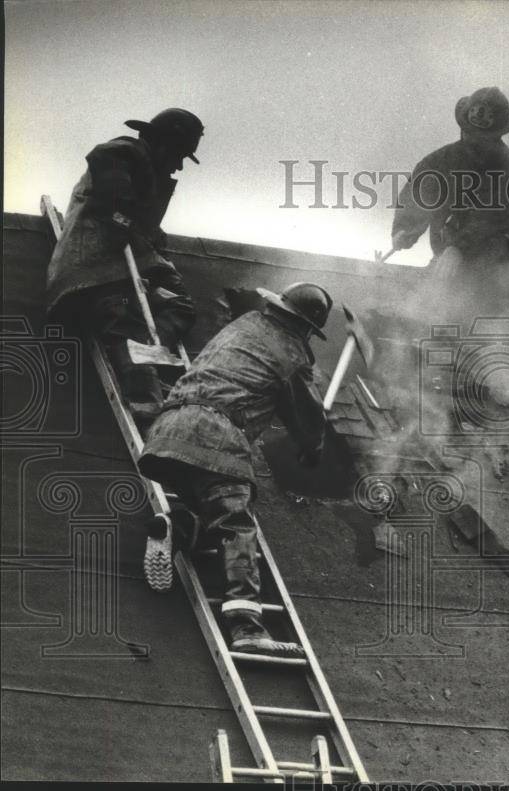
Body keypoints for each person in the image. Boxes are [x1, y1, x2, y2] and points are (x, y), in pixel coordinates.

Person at [137, 282, 333, 658]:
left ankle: (177, 526)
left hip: (169, 432)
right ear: (307, 326)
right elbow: (308, 420)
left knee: (211, 515)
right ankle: (247, 628)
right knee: (237, 528)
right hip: (217, 438)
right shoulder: (292, 353)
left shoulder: (244, 324)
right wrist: (313, 450)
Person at [45, 108, 205, 421]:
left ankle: (147, 354)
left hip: (125, 267)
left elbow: (141, 227)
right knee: (125, 317)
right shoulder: (123, 153)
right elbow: (111, 196)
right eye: (179, 156)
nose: (179, 166)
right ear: (162, 146)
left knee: (180, 305)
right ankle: (145, 399)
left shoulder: (149, 174)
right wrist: (121, 212)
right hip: (94, 269)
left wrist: (151, 240)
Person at [388, 86, 509, 314]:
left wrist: (458, 248)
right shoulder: (440, 162)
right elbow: (418, 194)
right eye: (470, 133)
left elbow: (493, 215)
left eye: (483, 138)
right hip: (448, 271)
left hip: (499, 274)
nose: (475, 141)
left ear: (499, 133)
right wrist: (403, 230)